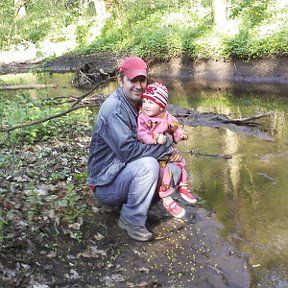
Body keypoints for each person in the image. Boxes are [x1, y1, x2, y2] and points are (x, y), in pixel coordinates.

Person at [87, 56, 182, 242]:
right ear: (120, 80)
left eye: (142, 80)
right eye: (132, 80)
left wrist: (171, 140)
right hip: (104, 182)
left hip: (124, 172)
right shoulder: (114, 109)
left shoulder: (144, 104)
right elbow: (128, 152)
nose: (138, 86)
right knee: (149, 165)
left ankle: (134, 206)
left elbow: (162, 127)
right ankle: (130, 220)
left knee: (174, 170)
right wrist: (165, 150)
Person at [137, 81, 197, 219]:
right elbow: (141, 134)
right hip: (153, 154)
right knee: (165, 172)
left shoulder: (167, 116)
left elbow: (175, 126)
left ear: (161, 105)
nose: (146, 105)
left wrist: (180, 134)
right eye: (144, 101)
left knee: (180, 162)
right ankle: (167, 199)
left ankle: (183, 185)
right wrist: (155, 138)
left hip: (166, 151)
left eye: (151, 102)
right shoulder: (143, 118)